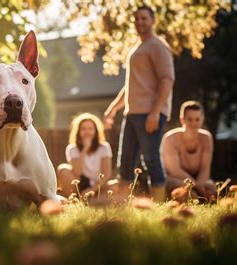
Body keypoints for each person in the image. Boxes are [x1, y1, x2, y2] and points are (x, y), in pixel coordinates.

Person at [103, 5, 175, 201]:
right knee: (125, 162)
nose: (140, 22)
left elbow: (167, 80)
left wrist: (155, 112)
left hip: (150, 113)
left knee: (151, 159)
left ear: (153, 21)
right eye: (137, 19)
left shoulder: (157, 46)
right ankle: (121, 205)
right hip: (132, 113)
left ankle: (160, 204)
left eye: (144, 18)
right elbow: (131, 86)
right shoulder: (137, 48)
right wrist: (112, 110)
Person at [161, 101, 215, 199]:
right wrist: (199, 188)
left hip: (196, 180)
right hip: (174, 179)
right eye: (189, 119)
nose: (194, 123)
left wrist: (202, 186)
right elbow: (175, 171)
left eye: (197, 119)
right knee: (188, 193)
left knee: (211, 186)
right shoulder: (170, 138)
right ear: (182, 120)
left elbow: (205, 168)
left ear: (202, 119)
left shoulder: (206, 138)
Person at [57, 113, 112, 197]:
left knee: (116, 185)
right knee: (63, 169)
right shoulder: (72, 149)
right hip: (80, 185)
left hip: (99, 186)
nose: (87, 132)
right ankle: (73, 200)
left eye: (90, 129)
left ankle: (96, 200)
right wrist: (85, 149)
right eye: (83, 129)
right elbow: (77, 172)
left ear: (95, 131)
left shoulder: (104, 147)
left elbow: (107, 174)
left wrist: (92, 189)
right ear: (78, 132)